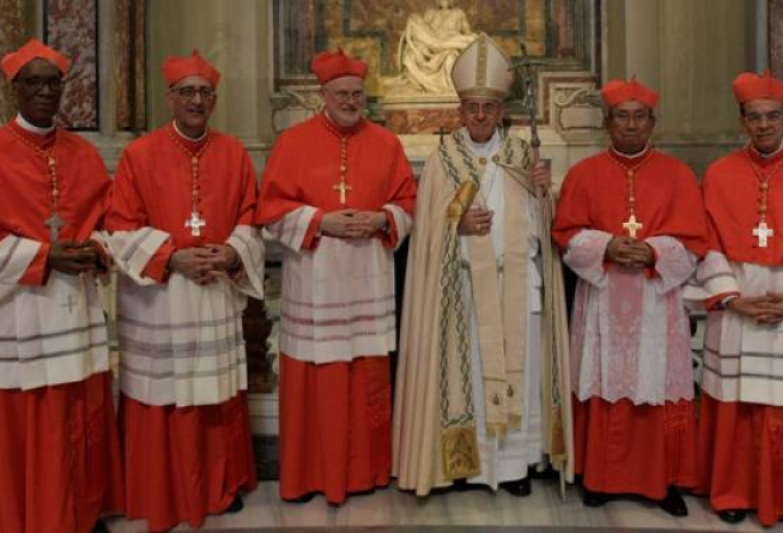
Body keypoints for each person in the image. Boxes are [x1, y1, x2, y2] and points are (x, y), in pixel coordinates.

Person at [393, 33, 573, 497]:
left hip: (518, 288)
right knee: (466, 376)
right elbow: (426, 233)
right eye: (471, 107)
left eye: (488, 108)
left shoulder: (522, 157)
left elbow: (545, 231)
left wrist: (540, 193)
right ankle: (464, 466)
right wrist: (457, 223)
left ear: (500, 111)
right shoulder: (442, 162)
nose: (479, 116)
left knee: (521, 373)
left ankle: (514, 468)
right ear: (460, 110)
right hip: (463, 293)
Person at [104, 50, 264, 532]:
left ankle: (219, 484)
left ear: (214, 99)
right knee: (165, 394)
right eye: (187, 92)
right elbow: (118, 227)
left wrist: (233, 252)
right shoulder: (139, 154)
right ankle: (162, 488)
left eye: (205, 92)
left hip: (213, 291)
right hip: (162, 298)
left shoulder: (233, 152)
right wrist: (170, 257)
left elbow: (251, 218)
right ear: (170, 97)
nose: (197, 100)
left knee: (213, 395)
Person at [257, 48, 417, 505]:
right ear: (322, 95)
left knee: (367, 374)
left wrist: (383, 219)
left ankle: (365, 472)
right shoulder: (293, 143)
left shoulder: (387, 144)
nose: (350, 101)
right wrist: (319, 221)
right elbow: (270, 210)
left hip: (368, 274)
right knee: (316, 376)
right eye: (342, 94)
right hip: (316, 275)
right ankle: (311, 475)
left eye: (357, 94)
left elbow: (408, 201)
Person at [551, 77, 708, 516]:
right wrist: (607, 246)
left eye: (640, 117)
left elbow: (696, 240)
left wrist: (655, 250)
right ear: (608, 122)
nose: (632, 125)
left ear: (653, 123)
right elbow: (565, 233)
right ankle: (599, 478)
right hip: (603, 298)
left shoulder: (677, 175)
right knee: (603, 380)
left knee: (655, 383)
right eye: (623, 116)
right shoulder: (584, 174)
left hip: (656, 299)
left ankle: (660, 482)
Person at [0, 39, 123, 533]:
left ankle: (80, 509)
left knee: (81, 411)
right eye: (34, 83)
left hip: (76, 305)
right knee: (35, 416)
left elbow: (110, 221)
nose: (46, 93)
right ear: (14, 92)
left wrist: (96, 247)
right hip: (22, 306)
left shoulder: (83, 152)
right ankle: (31, 512)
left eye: (53, 83)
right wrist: (45, 255)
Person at [688, 71, 783, 531]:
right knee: (735, 401)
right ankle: (731, 491)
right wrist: (731, 298)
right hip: (736, 299)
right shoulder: (719, 173)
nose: (764, 125)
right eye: (754, 118)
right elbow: (706, 241)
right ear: (742, 121)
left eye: (773, 116)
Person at [390, 0, 477, 94]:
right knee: (415, 53)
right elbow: (423, 32)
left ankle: (450, 88)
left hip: (450, 45)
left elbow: (467, 31)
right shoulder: (430, 14)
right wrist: (417, 47)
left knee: (451, 58)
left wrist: (472, 37)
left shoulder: (458, 14)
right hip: (433, 47)